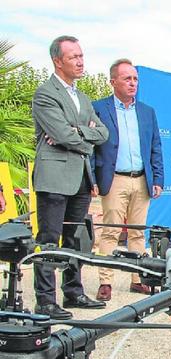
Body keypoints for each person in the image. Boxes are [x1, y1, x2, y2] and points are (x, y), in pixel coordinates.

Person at [32, 35, 109, 319]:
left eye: (81, 55)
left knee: (75, 238)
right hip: (54, 176)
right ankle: (46, 301)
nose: (80, 61)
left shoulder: (83, 97)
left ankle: (74, 292)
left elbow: (103, 133)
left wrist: (77, 133)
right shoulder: (45, 93)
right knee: (50, 238)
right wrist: (78, 133)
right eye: (73, 57)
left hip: (80, 177)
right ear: (57, 61)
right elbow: (61, 133)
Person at [91, 59, 164, 302]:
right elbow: (91, 148)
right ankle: (105, 282)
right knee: (110, 232)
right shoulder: (99, 108)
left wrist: (158, 178)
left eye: (135, 79)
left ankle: (137, 279)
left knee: (137, 234)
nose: (132, 83)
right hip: (114, 179)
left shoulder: (146, 111)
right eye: (127, 78)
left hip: (141, 180)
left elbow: (155, 146)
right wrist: (92, 178)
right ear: (113, 82)